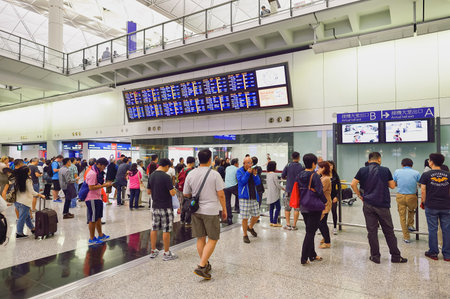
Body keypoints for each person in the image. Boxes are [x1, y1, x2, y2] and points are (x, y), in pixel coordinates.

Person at [351, 152, 407, 264]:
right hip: (382, 204)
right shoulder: (385, 170)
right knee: (388, 231)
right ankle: (396, 256)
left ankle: (375, 256)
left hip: (368, 204)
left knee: (372, 231)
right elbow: (392, 185)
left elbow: (353, 184)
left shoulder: (362, 170)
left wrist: (359, 195)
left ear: (369, 159)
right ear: (379, 159)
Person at [183, 149, 226, 279]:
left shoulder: (191, 174)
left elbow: (186, 194)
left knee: (200, 238)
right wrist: (224, 209)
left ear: (198, 159)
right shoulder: (214, 174)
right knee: (213, 238)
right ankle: (202, 266)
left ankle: (205, 263)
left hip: (196, 211)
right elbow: (221, 194)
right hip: (211, 211)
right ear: (210, 159)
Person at [297, 153, 327, 265]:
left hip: (304, 205)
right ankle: (304, 258)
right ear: (314, 164)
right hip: (314, 206)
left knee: (310, 231)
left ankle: (312, 255)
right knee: (310, 232)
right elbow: (319, 191)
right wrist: (325, 201)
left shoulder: (300, 174)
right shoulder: (314, 176)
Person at [419, 153, 450, 261]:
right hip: (446, 206)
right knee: (446, 229)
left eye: (429, 160)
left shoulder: (426, 175)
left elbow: (423, 190)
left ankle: (433, 253)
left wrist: (423, 202)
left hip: (431, 206)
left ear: (431, 162)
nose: (428, 162)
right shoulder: (448, 174)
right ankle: (447, 254)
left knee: (432, 229)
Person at [147, 158, 178, 261]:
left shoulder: (151, 175)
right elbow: (172, 193)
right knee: (166, 229)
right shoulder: (166, 177)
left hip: (155, 206)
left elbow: (148, 191)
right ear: (166, 166)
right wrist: (174, 190)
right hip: (166, 207)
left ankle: (153, 250)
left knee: (154, 228)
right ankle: (166, 253)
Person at [14, 166, 46, 239]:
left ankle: (33, 229)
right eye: (29, 170)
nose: (30, 171)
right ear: (27, 172)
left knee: (27, 217)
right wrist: (40, 195)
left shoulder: (17, 179)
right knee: (22, 218)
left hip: (17, 201)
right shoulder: (28, 180)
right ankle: (19, 233)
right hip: (24, 202)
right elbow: (32, 192)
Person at [393, 158, 421, 243]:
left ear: (402, 165)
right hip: (412, 196)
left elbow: (394, 184)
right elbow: (420, 184)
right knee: (412, 210)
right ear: (412, 165)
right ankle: (410, 224)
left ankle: (406, 237)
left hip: (400, 196)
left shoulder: (397, 171)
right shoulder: (416, 173)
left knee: (402, 217)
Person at [85, 158, 112, 245]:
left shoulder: (97, 173)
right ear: (99, 164)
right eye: (103, 166)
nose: (104, 168)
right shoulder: (92, 173)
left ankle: (100, 234)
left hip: (97, 197)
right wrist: (104, 185)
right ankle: (92, 238)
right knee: (93, 219)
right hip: (91, 198)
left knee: (98, 218)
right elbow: (91, 187)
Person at [237, 156, 262, 244]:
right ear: (244, 164)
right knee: (245, 218)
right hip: (244, 197)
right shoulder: (239, 171)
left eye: (251, 163)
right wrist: (248, 173)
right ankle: (245, 235)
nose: (250, 164)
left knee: (257, 215)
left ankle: (250, 227)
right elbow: (242, 182)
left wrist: (255, 175)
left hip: (253, 196)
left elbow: (258, 183)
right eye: (248, 163)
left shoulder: (253, 171)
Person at [281, 151, 304, 230]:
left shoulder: (288, 165)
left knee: (287, 207)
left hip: (289, 189)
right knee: (296, 208)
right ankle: (294, 225)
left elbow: (283, 176)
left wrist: (289, 178)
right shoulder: (301, 166)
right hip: (298, 190)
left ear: (292, 157)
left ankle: (288, 224)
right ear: (299, 157)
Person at [317, 161, 332, 248]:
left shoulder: (326, 179)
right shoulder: (322, 177)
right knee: (321, 222)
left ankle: (327, 242)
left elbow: (320, 190)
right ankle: (325, 237)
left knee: (321, 222)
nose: (318, 169)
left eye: (320, 168)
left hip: (325, 203)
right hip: (322, 203)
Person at [178, 156, 195, 226]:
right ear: (192, 163)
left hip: (181, 189)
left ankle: (182, 219)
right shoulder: (191, 171)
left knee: (183, 204)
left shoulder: (182, 169)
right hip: (188, 191)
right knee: (189, 205)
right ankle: (188, 221)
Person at [266, 161, 284, 227]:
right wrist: (282, 188)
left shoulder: (268, 174)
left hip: (270, 193)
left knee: (271, 208)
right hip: (275, 194)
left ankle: (271, 221)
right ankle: (275, 221)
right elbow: (277, 184)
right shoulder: (274, 174)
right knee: (278, 208)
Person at [224, 158, 239, 225]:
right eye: (238, 163)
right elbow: (238, 178)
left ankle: (229, 217)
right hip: (234, 186)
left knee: (227, 202)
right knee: (240, 195)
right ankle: (237, 208)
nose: (238, 164)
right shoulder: (237, 169)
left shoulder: (227, 168)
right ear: (235, 163)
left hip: (226, 187)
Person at [328, 161, 341, 235]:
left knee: (334, 211)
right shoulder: (323, 174)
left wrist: (337, 197)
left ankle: (335, 227)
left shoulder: (335, 175)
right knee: (323, 213)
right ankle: (321, 227)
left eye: (331, 165)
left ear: (333, 166)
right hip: (325, 196)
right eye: (328, 165)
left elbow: (339, 187)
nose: (329, 167)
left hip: (333, 196)